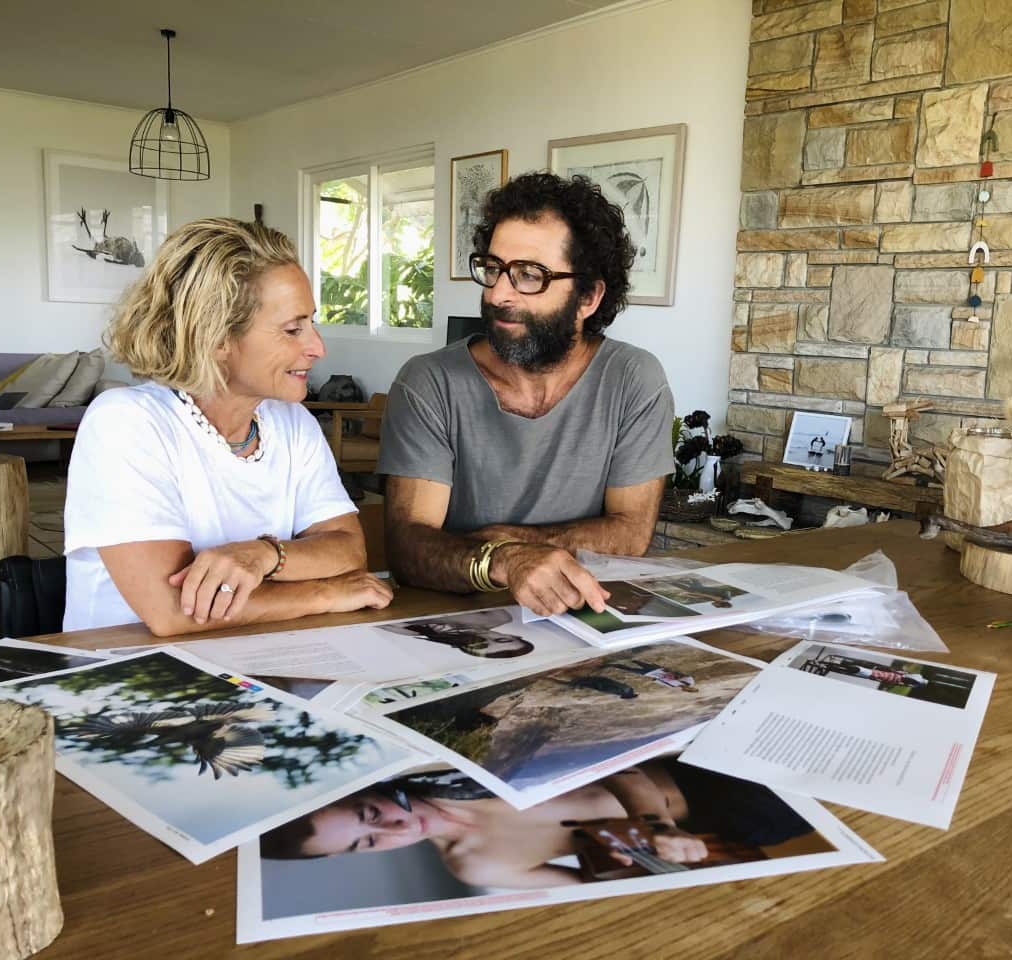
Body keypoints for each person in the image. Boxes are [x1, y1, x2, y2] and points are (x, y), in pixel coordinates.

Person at [63, 217, 392, 634]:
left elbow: (348, 551)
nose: (317, 348)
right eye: (293, 329)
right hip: (128, 666)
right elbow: (173, 611)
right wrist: (325, 594)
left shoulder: (293, 423)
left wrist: (263, 556)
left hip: (255, 657)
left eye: (312, 323)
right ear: (216, 337)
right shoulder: (126, 423)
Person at [377, 172, 674, 618]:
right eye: (493, 268)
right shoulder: (429, 382)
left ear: (589, 297)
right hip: (455, 622)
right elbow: (408, 548)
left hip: (580, 615)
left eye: (529, 275)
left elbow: (630, 535)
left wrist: (503, 541)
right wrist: (506, 561)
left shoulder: (633, 379)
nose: (498, 294)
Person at [260, 760, 814, 888]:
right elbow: (587, 891)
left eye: (371, 815)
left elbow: (620, 767)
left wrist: (655, 825)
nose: (397, 831)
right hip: (733, 824)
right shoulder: (473, 867)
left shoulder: (448, 772)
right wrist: (639, 863)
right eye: (367, 843)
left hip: (702, 765)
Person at [378, 609, 533, 659]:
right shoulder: (499, 617)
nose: (485, 637)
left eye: (479, 644)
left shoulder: (406, 630)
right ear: (514, 636)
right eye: (500, 640)